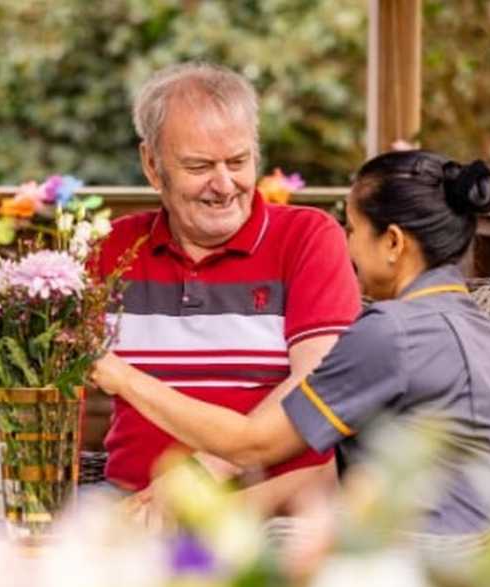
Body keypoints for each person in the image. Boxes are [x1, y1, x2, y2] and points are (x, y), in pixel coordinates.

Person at [92, 148, 490, 534]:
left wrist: (123, 378)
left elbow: (252, 443)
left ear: (394, 243)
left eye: (354, 229)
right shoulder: (473, 324)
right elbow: (330, 470)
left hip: (432, 551)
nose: (347, 245)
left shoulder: (390, 332)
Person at [91, 62, 362, 495]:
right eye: (199, 167)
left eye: (238, 161)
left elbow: (317, 391)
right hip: (130, 498)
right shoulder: (112, 249)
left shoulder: (308, 237)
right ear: (152, 165)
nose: (224, 185)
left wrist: (200, 475)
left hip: (272, 500)